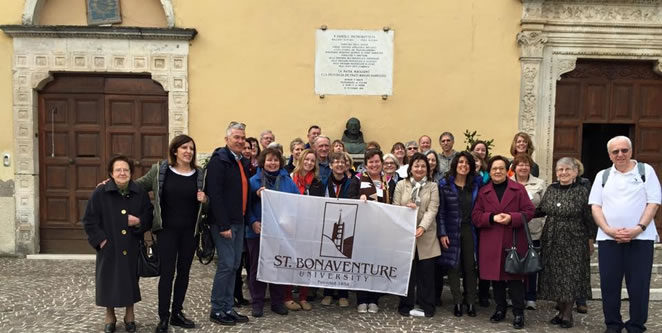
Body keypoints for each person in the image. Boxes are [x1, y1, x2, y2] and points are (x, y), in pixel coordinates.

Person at [134, 135, 207, 333]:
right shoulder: (160, 170)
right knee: (167, 274)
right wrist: (114, 183)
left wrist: (205, 199)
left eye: (191, 148)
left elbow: (210, 204)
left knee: (184, 273)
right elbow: (138, 186)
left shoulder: (200, 174)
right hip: (167, 231)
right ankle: (163, 317)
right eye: (184, 147)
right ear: (175, 150)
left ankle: (177, 312)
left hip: (189, 233)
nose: (188, 151)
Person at [589, 136, 661, 333]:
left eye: (624, 150)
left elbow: (653, 202)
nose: (620, 154)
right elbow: (595, 206)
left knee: (639, 285)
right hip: (609, 240)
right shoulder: (602, 176)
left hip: (640, 239)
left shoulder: (645, 171)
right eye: (615, 152)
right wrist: (608, 230)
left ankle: (636, 326)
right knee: (609, 285)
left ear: (631, 151)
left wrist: (638, 228)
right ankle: (612, 325)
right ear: (609, 155)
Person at [83, 155, 153, 333]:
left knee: (130, 280)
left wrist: (138, 222)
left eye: (126, 170)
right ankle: (110, 316)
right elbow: (89, 220)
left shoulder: (139, 192)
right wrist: (101, 241)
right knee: (108, 281)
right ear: (111, 173)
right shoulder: (101, 192)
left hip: (131, 245)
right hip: (109, 246)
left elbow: (148, 216)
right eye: (118, 170)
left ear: (131, 172)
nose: (122, 173)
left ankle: (130, 315)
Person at [472, 155, 535, 330]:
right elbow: (476, 216)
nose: (497, 171)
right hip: (491, 241)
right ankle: (500, 309)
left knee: (515, 279)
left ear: (507, 170)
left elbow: (529, 211)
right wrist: (491, 217)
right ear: (489, 172)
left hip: (513, 240)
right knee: (496, 279)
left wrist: (511, 218)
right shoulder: (484, 192)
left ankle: (518, 313)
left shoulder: (518, 189)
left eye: (501, 168)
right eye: (494, 169)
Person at [535, 157, 593, 329]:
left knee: (570, 275)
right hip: (552, 238)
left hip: (574, 238)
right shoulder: (552, 189)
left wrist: (591, 238)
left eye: (568, 169)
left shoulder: (582, 191)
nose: (563, 172)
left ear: (576, 171)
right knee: (555, 275)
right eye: (560, 169)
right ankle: (560, 311)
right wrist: (520, 214)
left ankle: (567, 314)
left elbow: (589, 217)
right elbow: (542, 210)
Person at [206, 121, 251, 326]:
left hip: (238, 221)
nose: (240, 141)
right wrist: (223, 224)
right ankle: (217, 309)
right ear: (227, 139)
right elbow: (215, 194)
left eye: (242, 137)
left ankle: (228, 307)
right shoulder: (219, 160)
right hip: (224, 224)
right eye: (236, 137)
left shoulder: (240, 161)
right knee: (226, 265)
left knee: (234, 265)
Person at [246, 147, 300, 317]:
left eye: (276, 160)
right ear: (263, 162)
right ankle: (258, 303)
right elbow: (245, 206)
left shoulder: (287, 181)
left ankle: (277, 301)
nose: (272, 163)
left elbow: (297, 202)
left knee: (278, 266)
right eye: (269, 160)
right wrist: (253, 221)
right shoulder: (253, 181)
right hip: (257, 232)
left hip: (280, 232)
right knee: (257, 268)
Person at [393, 153, 441, 318]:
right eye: (416, 166)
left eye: (423, 166)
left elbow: (433, 209)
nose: (419, 169)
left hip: (426, 235)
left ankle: (427, 304)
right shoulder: (401, 185)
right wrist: (407, 208)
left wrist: (422, 227)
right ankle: (405, 304)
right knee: (408, 273)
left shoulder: (433, 186)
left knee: (426, 273)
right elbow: (395, 206)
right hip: (405, 234)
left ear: (427, 169)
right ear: (410, 168)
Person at [437, 152, 482, 318]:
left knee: (470, 267)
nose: (464, 165)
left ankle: (470, 301)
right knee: (453, 266)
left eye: (467, 163)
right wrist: (442, 233)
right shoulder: (445, 185)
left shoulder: (476, 184)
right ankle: (457, 301)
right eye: (461, 162)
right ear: (455, 164)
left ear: (471, 166)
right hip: (451, 229)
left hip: (470, 230)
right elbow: (441, 211)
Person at [353, 149, 395, 314]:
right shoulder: (357, 180)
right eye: (370, 162)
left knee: (377, 265)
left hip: (382, 231)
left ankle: (374, 299)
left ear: (382, 163)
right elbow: (348, 200)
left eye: (377, 161)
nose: (374, 165)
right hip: (363, 230)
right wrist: (358, 200)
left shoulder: (389, 182)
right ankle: (362, 299)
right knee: (362, 265)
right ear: (366, 164)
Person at [286, 149, 325, 311]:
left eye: (312, 160)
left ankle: (303, 296)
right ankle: (287, 296)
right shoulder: (290, 179)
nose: (309, 163)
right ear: (301, 160)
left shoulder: (317, 182)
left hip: (309, 227)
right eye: (306, 159)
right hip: (291, 226)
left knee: (306, 262)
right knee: (288, 261)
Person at [320, 152, 359, 307]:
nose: (339, 164)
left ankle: (343, 294)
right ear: (330, 165)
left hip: (347, 223)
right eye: (336, 162)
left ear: (347, 165)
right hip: (328, 223)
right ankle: (328, 293)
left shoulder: (353, 183)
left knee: (344, 258)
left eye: (342, 162)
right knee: (328, 258)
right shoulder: (322, 182)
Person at [508, 154, 546, 311]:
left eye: (526, 165)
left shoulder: (540, 183)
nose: (523, 167)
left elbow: (545, 207)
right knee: (514, 261)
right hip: (514, 229)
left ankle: (531, 297)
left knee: (531, 263)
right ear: (514, 167)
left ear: (531, 167)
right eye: (519, 165)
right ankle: (514, 295)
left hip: (533, 229)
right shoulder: (508, 183)